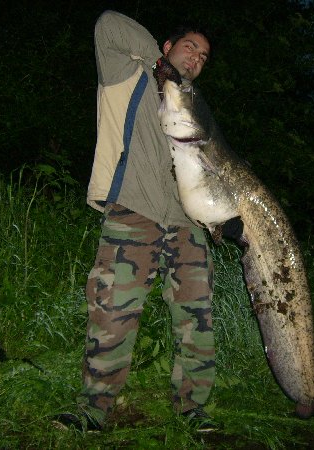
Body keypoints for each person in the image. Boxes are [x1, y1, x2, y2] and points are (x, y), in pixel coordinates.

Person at [55, 11, 215, 432]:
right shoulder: (130, 75)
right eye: (189, 47)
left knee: (197, 319)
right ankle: (93, 410)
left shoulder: (197, 110)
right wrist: (160, 67)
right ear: (166, 47)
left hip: (187, 224)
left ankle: (193, 412)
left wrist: (223, 221)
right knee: (112, 313)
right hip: (134, 212)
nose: (196, 58)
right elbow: (107, 23)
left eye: (203, 56)